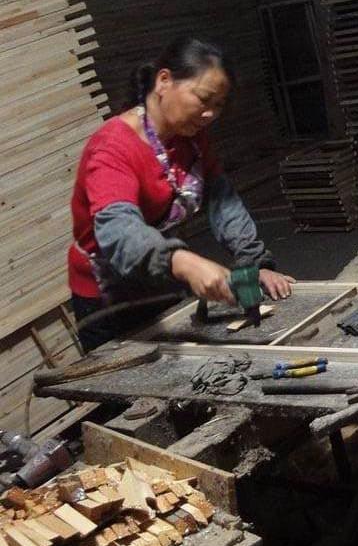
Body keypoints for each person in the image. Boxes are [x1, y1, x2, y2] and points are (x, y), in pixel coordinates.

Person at [68, 36, 296, 351]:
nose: (210, 114)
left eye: (218, 105)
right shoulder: (113, 147)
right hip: (108, 298)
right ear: (164, 81)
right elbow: (118, 230)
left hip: (160, 277)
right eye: (204, 99)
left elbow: (222, 202)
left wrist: (255, 262)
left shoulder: (190, 138)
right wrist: (183, 262)